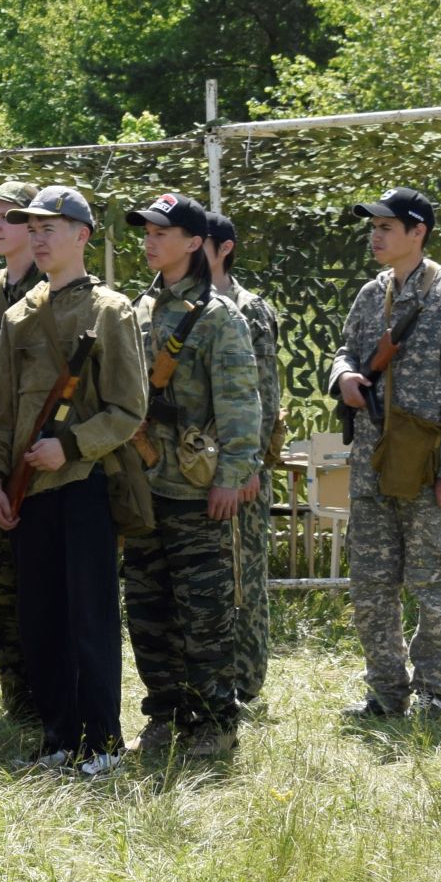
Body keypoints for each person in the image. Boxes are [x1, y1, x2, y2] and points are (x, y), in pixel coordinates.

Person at [0, 186, 145, 774]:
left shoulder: (111, 310)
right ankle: (57, 739)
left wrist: (70, 445)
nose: (40, 235)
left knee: (90, 616)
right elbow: (1, 412)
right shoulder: (18, 316)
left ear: (83, 235)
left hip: (84, 484)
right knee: (40, 618)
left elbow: (129, 408)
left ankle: (101, 742)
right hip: (27, 491)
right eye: (34, 225)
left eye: (54, 226)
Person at [329, 188, 441, 720]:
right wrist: (344, 376)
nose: (375, 236)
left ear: (417, 232)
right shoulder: (372, 293)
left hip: (428, 467)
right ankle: (385, 691)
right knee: (372, 585)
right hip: (373, 462)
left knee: (432, 582)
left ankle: (432, 693)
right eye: (373, 227)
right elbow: (345, 350)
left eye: (386, 227)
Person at [123, 193, 261, 760]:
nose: (150, 240)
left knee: (204, 614)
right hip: (145, 486)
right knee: (149, 610)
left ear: (192, 242)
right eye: (147, 232)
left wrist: (231, 475)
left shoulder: (218, 315)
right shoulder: (137, 309)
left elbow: (240, 403)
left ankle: (213, 724)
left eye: (162, 232)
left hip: (197, 488)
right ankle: (163, 715)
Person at [0, 181, 46, 725]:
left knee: (39, 580)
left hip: (41, 458)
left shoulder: (56, 288)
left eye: (9, 217)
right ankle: (17, 697)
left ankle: (49, 693)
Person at [205, 212, 282, 708]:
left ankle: (246, 681)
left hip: (240, 464)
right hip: (192, 468)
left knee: (244, 574)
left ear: (224, 249)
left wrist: (248, 464)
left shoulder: (249, 309)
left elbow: (266, 394)